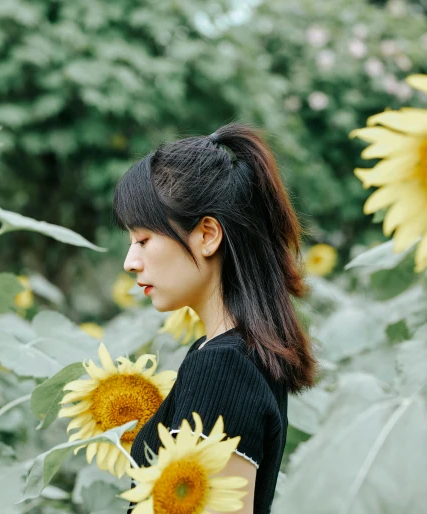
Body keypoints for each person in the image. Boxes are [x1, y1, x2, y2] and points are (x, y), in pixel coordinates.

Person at [113, 123, 317, 514]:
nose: (130, 262)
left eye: (142, 240)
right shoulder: (232, 354)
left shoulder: (221, 367)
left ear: (207, 235)